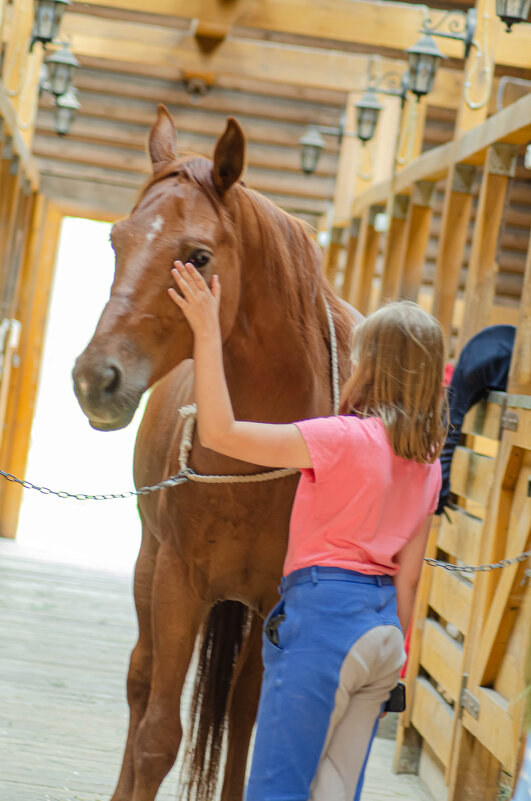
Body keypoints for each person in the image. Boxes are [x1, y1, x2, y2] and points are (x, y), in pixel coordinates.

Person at [168, 261, 447, 801]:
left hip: (324, 624)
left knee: (277, 790)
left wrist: (206, 331)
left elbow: (219, 432)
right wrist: (396, 665)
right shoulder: (428, 463)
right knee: (336, 793)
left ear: (372, 367)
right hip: (384, 636)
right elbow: (409, 582)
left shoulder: (338, 439)